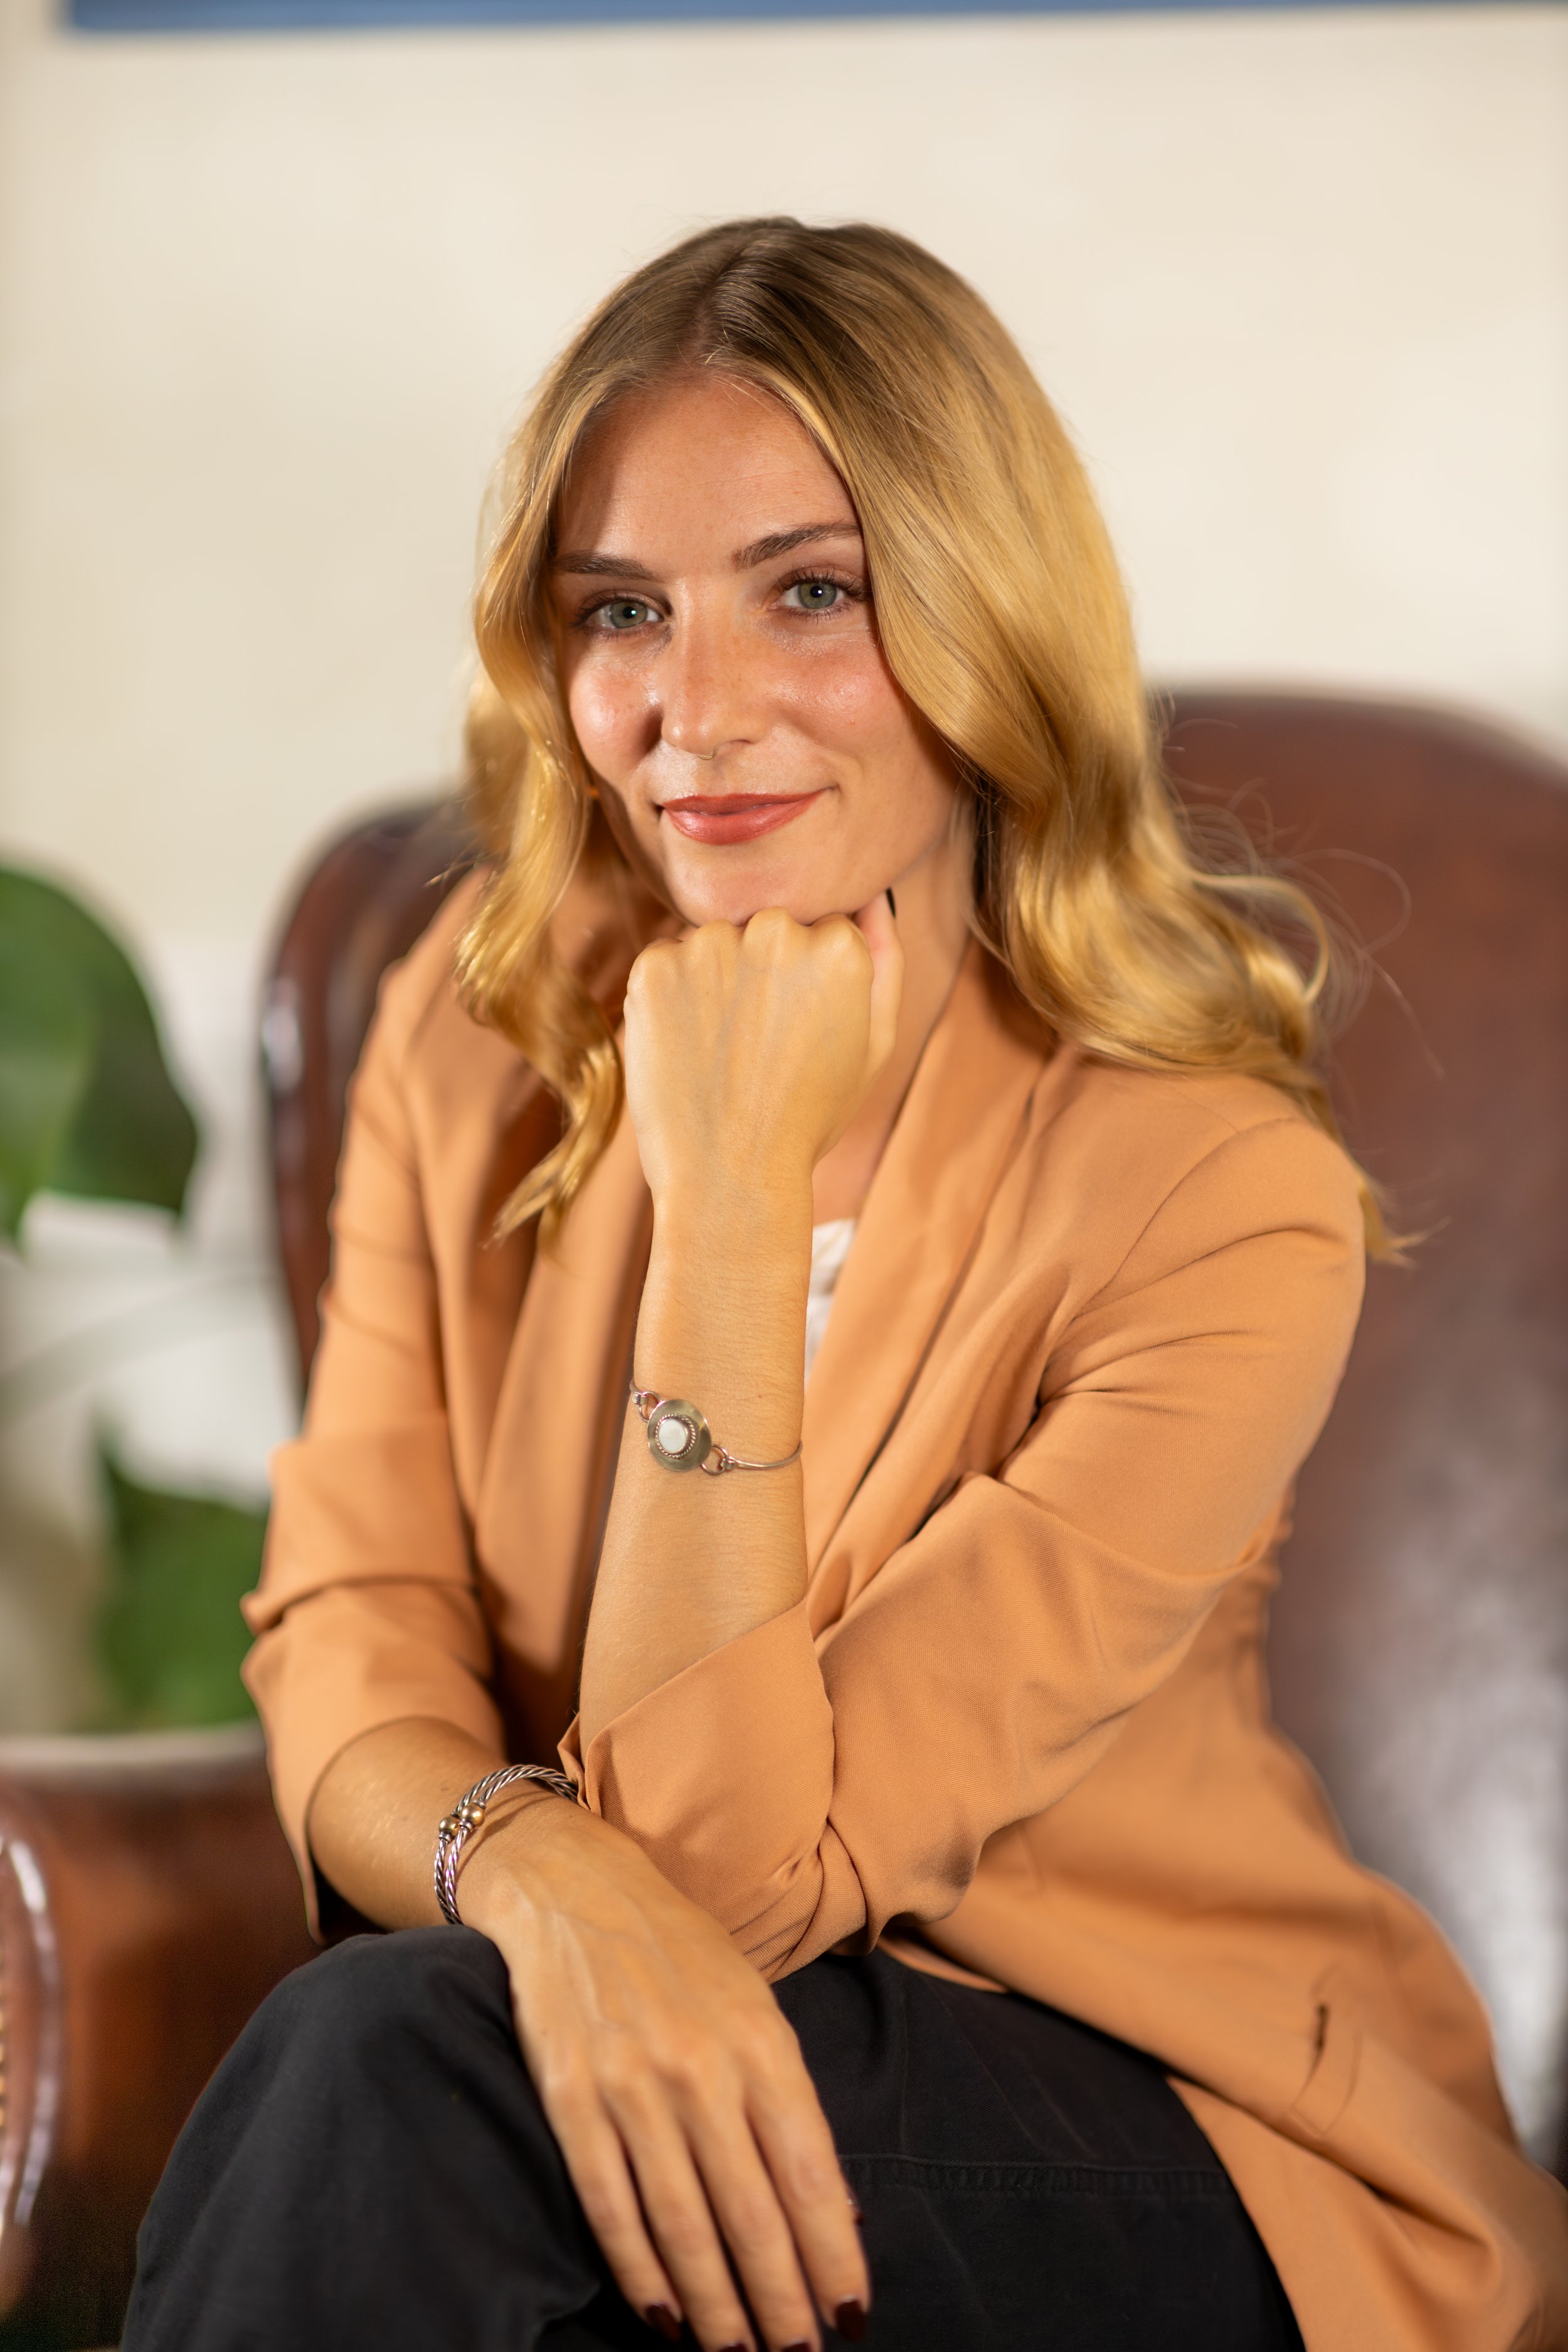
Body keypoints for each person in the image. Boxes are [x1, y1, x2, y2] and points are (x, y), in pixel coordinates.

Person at [122, 219, 1566, 2352]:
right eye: (624, 611)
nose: (695, 717)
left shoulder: (1215, 1198)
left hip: (1169, 2125)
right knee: (447, 2109)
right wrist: (538, 1876)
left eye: (811, 592)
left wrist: (723, 1203)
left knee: (403, 2073)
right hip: (585, 2042)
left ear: (984, 617)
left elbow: (726, 1876)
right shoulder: (468, 1031)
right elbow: (351, 1638)